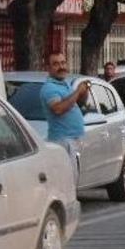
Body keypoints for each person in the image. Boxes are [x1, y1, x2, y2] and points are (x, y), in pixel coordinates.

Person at [40, 53, 88, 182]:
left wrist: (84, 93)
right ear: (48, 68)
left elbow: (76, 104)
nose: (61, 67)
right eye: (56, 64)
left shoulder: (64, 84)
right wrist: (78, 91)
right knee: (67, 183)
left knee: (72, 180)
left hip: (72, 141)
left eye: (63, 62)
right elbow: (58, 108)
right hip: (62, 141)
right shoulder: (49, 88)